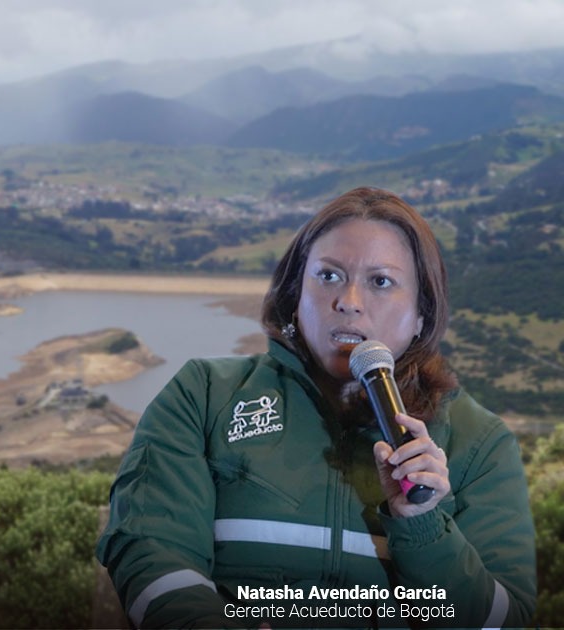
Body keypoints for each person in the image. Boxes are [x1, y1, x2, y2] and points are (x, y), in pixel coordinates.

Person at [96, 187, 535, 628]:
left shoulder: (479, 441)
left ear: (422, 313)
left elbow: (504, 622)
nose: (349, 301)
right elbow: (152, 551)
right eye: (328, 276)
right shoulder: (204, 394)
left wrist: (422, 524)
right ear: (295, 295)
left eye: (381, 281)